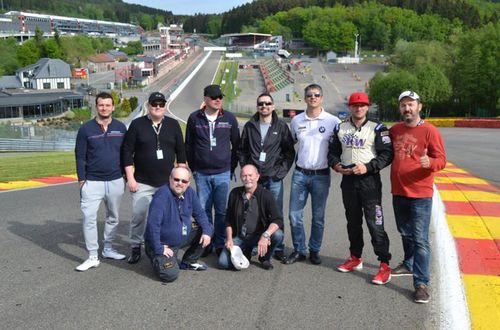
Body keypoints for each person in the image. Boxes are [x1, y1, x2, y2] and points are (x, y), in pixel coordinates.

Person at [328, 92, 393, 285]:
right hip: (348, 181)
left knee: (375, 223)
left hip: (370, 182)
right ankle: (355, 257)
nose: (359, 108)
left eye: (362, 105)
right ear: (350, 107)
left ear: (367, 107)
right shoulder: (340, 127)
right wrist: (336, 166)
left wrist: (368, 167)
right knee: (353, 222)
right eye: (355, 105)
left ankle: (384, 264)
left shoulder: (378, 128)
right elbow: (332, 153)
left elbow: (387, 154)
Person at [390, 91, 446, 303]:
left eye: (411, 104)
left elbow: (441, 160)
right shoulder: (395, 130)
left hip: (421, 193)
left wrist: (430, 163)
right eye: (404, 105)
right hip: (399, 192)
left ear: (419, 107)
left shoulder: (430, 131)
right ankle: (409, 263)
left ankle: (421, 283)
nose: (407, 108)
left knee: (420, 239)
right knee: (405, 232)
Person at [121, 91, 187, 264]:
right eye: (154, 104)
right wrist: (130, 178)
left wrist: (180, 179)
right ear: (148, 106)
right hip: (142, 181)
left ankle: (164, 245)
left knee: (167, 216)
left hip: (167, 184)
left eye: (161, 105)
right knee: (139, 216)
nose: (158, 107)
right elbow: (127, 152)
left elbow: (181, 152)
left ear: (164, 107)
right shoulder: (137, 125)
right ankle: (136, 247)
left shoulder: (173, 125)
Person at [283, 84, 340, 265]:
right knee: (294, 215)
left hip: (321, 176)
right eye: (309, 95)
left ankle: (314, 249)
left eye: (316, 95)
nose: (313, 97)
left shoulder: (333, 121)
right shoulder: (296, 121)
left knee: (318, 216)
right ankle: (300, 249)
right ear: (305, 98)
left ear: (321, 98)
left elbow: (339, 148)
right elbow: (288, 145)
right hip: (300, 174)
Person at [238, 93, 295, 260]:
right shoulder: (250, 126)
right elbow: (242, 150)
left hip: (273, 178)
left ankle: (278, 246)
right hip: (255, 180)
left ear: (273, 106)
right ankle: (255, 243)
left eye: (268, 103)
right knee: (254, 211)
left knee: (276, 212)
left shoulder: (281, 126)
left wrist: (280, 173)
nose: (264, 106)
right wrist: (247, 170)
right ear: (257, 107)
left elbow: (289, 152)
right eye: (261, 104)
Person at [185, 84, 240, 256]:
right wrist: (194, 169)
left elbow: (237, 145)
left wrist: (231, 167)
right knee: (204, 210)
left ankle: (218, 242)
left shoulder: (229, 118)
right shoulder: (194, 118)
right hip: (201, 173)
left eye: (220, 97)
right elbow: (189, 145)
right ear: (205, 99)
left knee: (222, 211)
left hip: (223, 173)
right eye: (214, 97)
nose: (218, 100)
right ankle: (206, 241)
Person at [74, 92, 127, 271]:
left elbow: (126, 155)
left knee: (113, 217)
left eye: (107, 105)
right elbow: (80, 156)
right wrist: (82, 180)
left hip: (115, 181)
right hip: (92, 182)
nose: (104, 108)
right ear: (96, 107)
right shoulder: (85, 129)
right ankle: (92, 256)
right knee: (89, 218)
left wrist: (126, 178)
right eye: (101, 105)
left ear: (113, 107)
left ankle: (108, 249)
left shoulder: (121, 128)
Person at [144, 167, 213, 282]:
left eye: (184, 181)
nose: (180, 183)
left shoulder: (190, 192)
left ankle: (188, 261)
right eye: (176, 179)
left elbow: (200, 213)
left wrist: (206, 232)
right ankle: (159, 258)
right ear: (170, 179)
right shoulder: (161, 196)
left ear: (188, 183)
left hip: (181, 235)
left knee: (208, 228)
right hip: (163, 243)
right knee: (170, 274)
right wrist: (159, 248)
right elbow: (153, 225)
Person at [218, 165, 284, 270]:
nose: (247, 178)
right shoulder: (235, 193)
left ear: (257, 176)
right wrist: (229, 239)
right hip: (239, 237)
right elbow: (228, 220)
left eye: (250, 175)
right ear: (241, 178)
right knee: (223, 263)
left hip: (258, 235)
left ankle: (264, 258)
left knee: (278, 234)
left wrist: (265, 235)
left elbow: (278, 220)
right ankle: (248, 250)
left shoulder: (266, 195)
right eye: (244, 176)